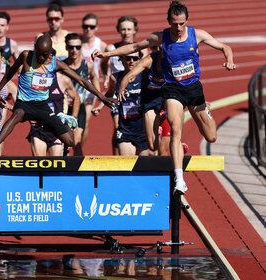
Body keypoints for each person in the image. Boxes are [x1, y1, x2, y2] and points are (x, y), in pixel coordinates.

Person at [92, 0, 236, 195]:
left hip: (193, 89)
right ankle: (179, 179)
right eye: (174, 23)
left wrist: (229, 60)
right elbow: (134, 47)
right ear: (168, 21)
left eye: (182, 23)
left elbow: (224, 47)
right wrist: (107, 54)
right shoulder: (161, 38)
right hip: (172, 90)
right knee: (176, 129)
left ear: (187, 21)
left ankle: (205, 112)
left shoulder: (197, 35)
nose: (178, 28)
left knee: (211, 137)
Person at [0, 35, 117, 158]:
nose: (41, 58)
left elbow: (81, 80)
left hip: (42, 105)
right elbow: (10, 72)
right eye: (39, 54)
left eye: (45, 55)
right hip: (24, 103)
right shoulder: (26, 56)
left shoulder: (55, 63)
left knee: (70, 141)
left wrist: (102, 97)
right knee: (17, 114)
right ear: (35, 48)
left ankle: (62, 119)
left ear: (50, 52)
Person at [98, 16, 146, 155]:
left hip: (136, 91)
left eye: (129, 29)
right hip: (118, 92)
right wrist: (106, 75)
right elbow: (103, 62)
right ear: (118, 30)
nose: (126, 32)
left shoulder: (141, 48)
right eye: (123, 29)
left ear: (134, 31)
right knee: (118, 125)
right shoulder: (111, 48)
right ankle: (117, 158)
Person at [93, 51, 150, 156]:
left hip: (143, 131)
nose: (131, 62)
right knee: (127, 167)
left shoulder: (145, 77)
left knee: (142, 169)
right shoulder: (115, 78)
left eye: (135, 59)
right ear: (122, 60)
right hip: (125, 130)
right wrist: (100, 107)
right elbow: (110, 94)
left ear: (140, 60)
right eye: (128, 58)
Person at [63, 33, 100, 156]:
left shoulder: (87, 66)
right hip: (63, 108)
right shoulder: (61, 66)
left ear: (81, 48)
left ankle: (80, 173)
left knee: (76, 142)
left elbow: (94, 78)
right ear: (66, 47)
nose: (74, 50)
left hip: (80, 109)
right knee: (62, 144)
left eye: (78, 47)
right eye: (71, 47)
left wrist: (96, 96)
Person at [28, 71, 80, 156]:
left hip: (58, 130)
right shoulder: (34, 79)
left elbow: (76, 98)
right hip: (39, 129)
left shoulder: (63, 80)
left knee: (56, 166)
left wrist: (73, 119)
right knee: (39, 166)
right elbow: (26, 98)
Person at [81, 13, 108, 148]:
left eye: (91, 26)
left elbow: (107, 64)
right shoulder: (76, 44)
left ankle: (78, 148)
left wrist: (106, 78)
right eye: (85, 26)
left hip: (91, 90)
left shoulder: (101, 45)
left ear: (96, 27)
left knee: (84, 121)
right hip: (76, 88)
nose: (88, 29)